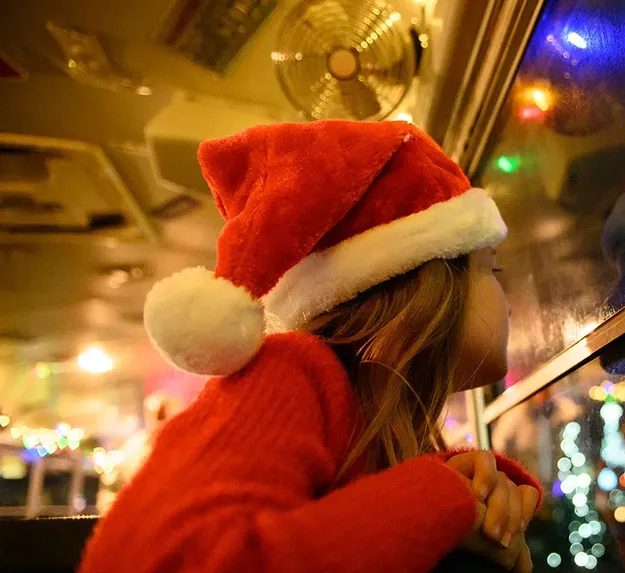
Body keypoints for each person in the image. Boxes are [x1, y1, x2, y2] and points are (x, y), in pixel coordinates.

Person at [79, 120, 543, 573]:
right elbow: (165, 557)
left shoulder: (371, 429)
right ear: (426, 288)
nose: (509, 299)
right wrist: (443, 498)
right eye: (493, 270)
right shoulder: (290, 374)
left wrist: (472, 491)